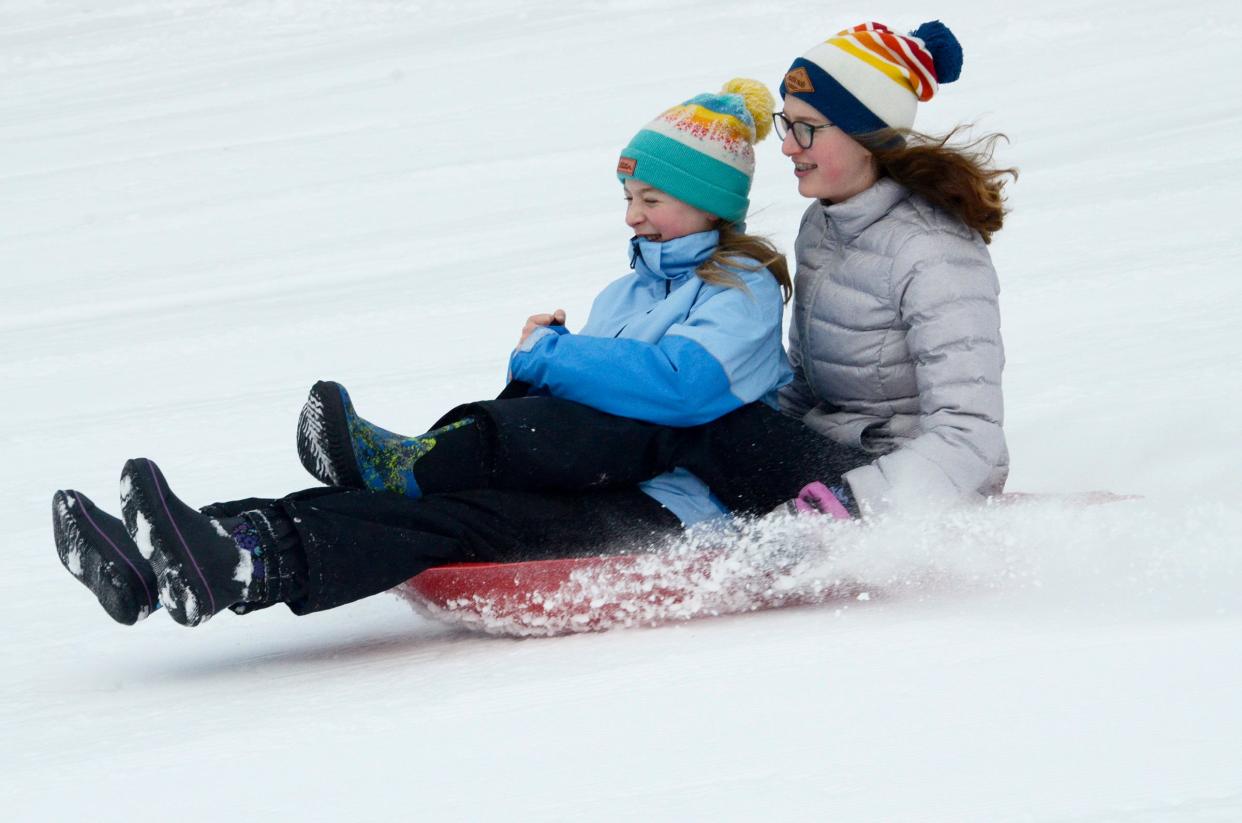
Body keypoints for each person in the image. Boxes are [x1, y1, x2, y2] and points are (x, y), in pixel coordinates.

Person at [52, 79, 802, 627]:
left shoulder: (741, 287)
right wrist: (539, 369)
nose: (634, 216)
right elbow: (589, 405)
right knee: (415, 495)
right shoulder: (624, 293)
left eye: (654, 200)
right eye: (628, 198)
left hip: (666, 503)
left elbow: (685, 389)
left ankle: (270, 546)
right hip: (599, 469)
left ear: (712, 204)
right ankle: (182, 553)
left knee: (451, 517)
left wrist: (552, 355)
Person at [299, 20, 1013, 521]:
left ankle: (437, 468)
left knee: (690, 406)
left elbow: (970, 438)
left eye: (805, 127)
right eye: (783, 124)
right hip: (820, 458)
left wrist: (855, 506)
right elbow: (817, 383)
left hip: (893, 490)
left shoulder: (936, 253)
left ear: (866, 134)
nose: (787, 146)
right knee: (698, 408)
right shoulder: (826, 225)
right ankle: (442, 473)